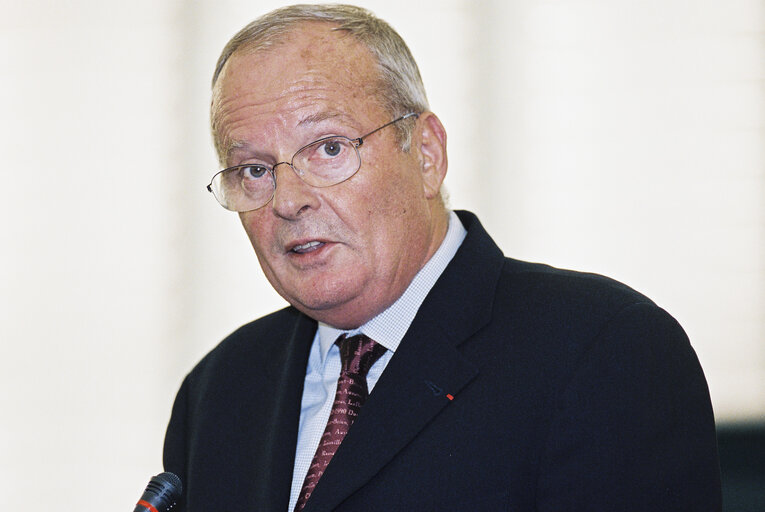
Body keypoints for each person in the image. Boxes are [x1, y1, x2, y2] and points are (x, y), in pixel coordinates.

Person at [162, 4, 721, 511]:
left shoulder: (603, 349)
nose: (288, 199)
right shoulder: (220, 390)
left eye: (329, 148)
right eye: (254, 170)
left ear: (427, 154)